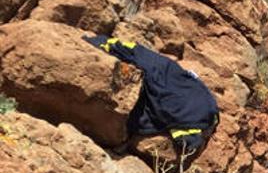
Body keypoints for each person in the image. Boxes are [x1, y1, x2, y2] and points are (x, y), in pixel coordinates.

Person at [83, 35, 219, 153]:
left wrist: (106, 45)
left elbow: (137, 53)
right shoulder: (199, 112)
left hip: (190, 105)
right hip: (197, 106)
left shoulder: (160, 77)